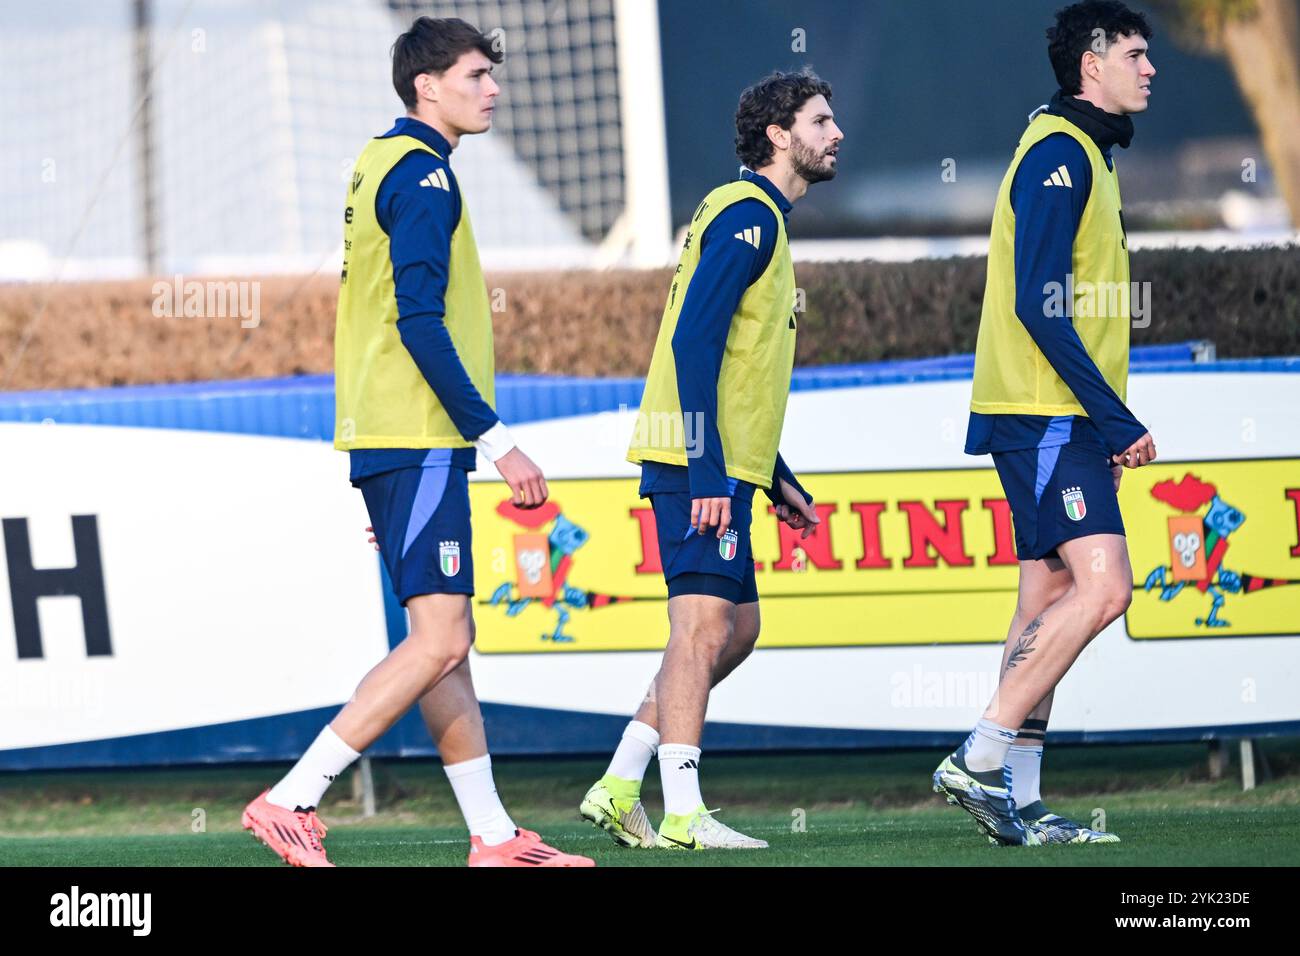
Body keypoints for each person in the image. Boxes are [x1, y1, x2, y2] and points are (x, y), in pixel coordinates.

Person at [241, 16, 591, 868]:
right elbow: (421, 324)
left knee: (448, 642)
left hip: (392, 436)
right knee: (440, 642)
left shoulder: (379, 160)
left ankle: (495, 836)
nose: (492, 88)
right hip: (419, 433)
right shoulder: (426, 177)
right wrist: (501, 442)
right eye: (475, 75)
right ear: (426, 86)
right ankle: (292, 798)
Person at [580, 69, 842, 850]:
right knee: (699, 630)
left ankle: (620, 780)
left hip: (724, 466)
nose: (835, 134)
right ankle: (686, 813)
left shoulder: (756, 217)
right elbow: (693, 342)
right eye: (821, 121)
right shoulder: (749, 215)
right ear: (778, 135)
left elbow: (736, 369)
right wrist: (705, 471)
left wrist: (775, 474)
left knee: (738, 629)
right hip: (697, 467)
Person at [933, 0, 1158, 846]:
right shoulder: (1061, 152)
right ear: (1090, 62)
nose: (1149, 68)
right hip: (1046, 413)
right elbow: (1038, 302)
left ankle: (1017, 802)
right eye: (1134, 53)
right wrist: (1111, 417)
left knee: (1047, 597)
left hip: (1049, 414)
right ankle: (978, 756)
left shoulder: (1080, 150)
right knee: (1105, 587)